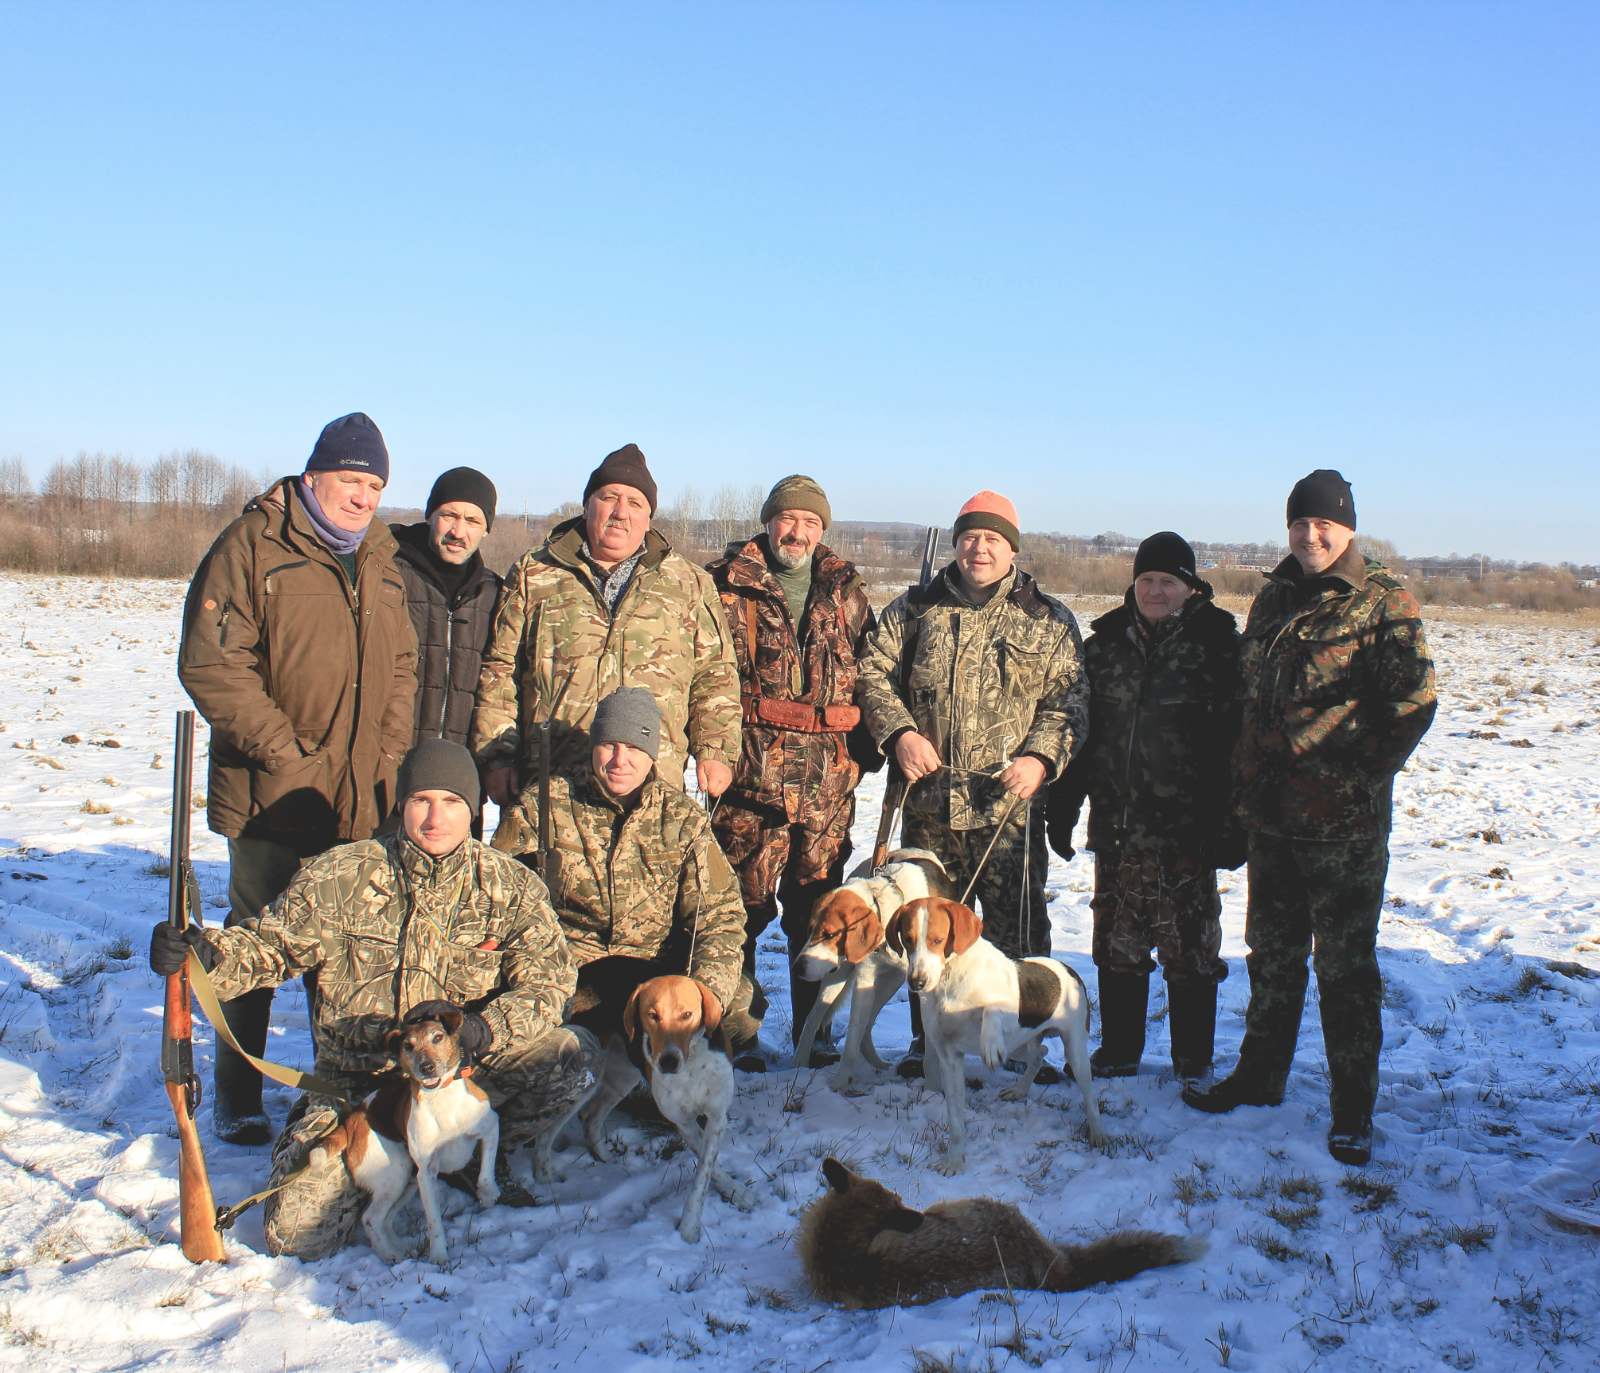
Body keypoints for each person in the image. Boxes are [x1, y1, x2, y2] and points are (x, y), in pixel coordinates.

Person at [149, 739, 592, 1259]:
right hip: (358, 1095)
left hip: (460, 1081)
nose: (435, 818)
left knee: (572, 1056)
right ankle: (396, 1167)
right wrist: (203, 954)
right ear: (401, 804)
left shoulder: (511, 886)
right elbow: (270, 946)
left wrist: (479, 1030)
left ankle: (462, 1160)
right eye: (421, 800)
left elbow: (550, 986)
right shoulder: (342, 874)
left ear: (473, 809)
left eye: (451, 802)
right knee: (295, 1235)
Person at [1182, 470, 1437, 1167]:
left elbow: (1415, 703)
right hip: (1271, 821)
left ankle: (1352, 1108)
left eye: (1323, 524)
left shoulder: (1383, 602)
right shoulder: (1274, 597)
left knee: (1346, 970)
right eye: (1299, 524)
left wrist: (1354, 777)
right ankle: (1261, 1077)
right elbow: (1252, 697)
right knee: (1273, 956)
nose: (1310, 535)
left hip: (1343, 831)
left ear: (1348, 526)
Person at [177, 412, 417, 1143]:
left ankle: (331, 1090)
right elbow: (212, 664)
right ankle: (237, 1093)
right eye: (351, 480)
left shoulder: (378, 558)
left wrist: (388, 752)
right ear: (313, 476)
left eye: (375, 484)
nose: (363, 496)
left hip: (356, 799)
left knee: (342, 953)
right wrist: (285, 751)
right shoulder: (253, 547)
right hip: (269, 799)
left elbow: (402, 666)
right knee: (254, 947)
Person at [857, 492, 1088, 1073]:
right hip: (931, 810)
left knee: (1018, 934)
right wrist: (901, 733)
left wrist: (1040, 758)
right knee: (927, 936)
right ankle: (930, 1048)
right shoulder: (913, 609)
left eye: (992, 539)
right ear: (957, 542)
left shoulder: (1049, 619)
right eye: (970, 537)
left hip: (1009, 813)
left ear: (1012, 547)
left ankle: (1025, 1052)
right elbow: (872, 675)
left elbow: (1071, 701)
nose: (979, 548)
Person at [1046, 532, 1240, 1083]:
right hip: (1118, 824)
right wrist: (1063, 805)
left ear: (1190, 587)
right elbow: (1083, 735)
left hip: (1189, 831)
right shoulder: (1104, 645)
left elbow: (1238, 742)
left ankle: (1192, 1060)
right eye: (1147, 580)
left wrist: (1233, 824)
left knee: (1191, 949)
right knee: (1116, 943)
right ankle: (1120, 1051)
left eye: (1168, 582)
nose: (1156, 591)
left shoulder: (1220, 644)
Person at [705, 476, 881, 1069]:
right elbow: (704, 676)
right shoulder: (727, 585)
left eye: (810, 523)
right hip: (748, 783)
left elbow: (875, 672)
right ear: (769, 522)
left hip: (828, 787)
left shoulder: (847, 591)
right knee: (740, 912)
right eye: (788, 520)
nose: (797, 532)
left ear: (822, 530)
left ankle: (817, 1033)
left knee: (817, 913)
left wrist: (871, 747)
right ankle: (739, 1032)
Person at [472, 443, 740, 803]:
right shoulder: (534, 574)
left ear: (649, 517)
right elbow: (500, 671)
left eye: (634, 503)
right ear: (587, 505)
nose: (620, 512)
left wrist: (716, 750)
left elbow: (715, 674)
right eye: (609, 497)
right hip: (551, 785)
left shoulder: (688, 583)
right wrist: (498, 755)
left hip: (650, 788)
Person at [491, 687, 745, 1016]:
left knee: (738, 1006)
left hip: (653, 976)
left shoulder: (683, 819)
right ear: (593, 747)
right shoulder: (542, 805)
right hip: (566, 974)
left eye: (634, 747)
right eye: (609, 745)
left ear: (653, 752)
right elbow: (495, 896)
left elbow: (720, 918)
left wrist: (703, 992)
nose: (619, 761)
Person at [391, 466, 503, 754]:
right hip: (391, 762)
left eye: (472, 520)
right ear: (430, 516)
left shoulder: (494, 595)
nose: (458, 532)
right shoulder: (390, 577)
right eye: (449, 515)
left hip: (458, 772)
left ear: (486, 529)